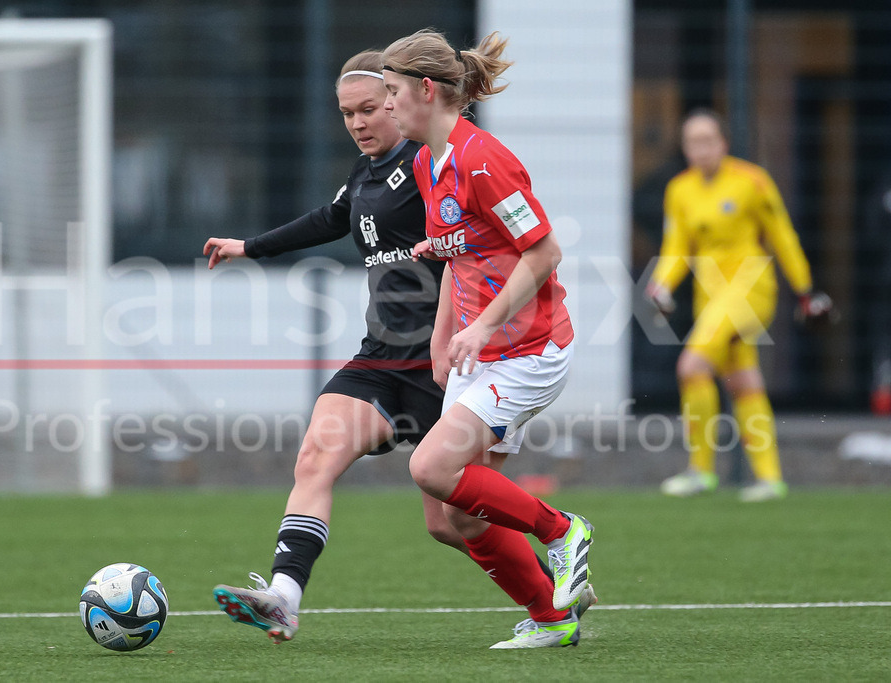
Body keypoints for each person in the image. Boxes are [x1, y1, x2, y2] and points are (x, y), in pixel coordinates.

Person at [204, 50, 594, 645]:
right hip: (386, 356)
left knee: (451, 522)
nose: (365, 119)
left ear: (415, 94)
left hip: (466, 363)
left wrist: (470, 327)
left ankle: (554, 589)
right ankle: (284, 596)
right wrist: (250, 248)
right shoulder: (376, 172)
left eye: (376, 103)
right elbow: (331, 220)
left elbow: (523, 248)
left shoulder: (443, 160)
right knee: (315, 456)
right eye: (349, 113)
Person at [381, 29, 593, 649]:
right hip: (483, 351)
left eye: (392, 92)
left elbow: (545, 252)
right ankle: (555, 617)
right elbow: (459, 253)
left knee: (430, 466)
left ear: (426, 90)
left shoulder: (482, 161)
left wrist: (483, 325)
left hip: (530, 352)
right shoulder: (428, 161)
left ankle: (561, 533)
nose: (387, 106)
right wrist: (445, 336)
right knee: (455, 518)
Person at [645, 108, 833, 502]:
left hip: (750, 288)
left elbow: (782, 235)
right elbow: (677, 247)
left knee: (691, 366)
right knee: (744, 380)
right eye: (692, 142)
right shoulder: (680, 189)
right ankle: (770, 479)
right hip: (711, 296)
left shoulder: (752, 180)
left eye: (707, 140)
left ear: (724, 143)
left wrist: (805, 289)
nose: (700, 149)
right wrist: (661, 285)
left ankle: (700, 470)